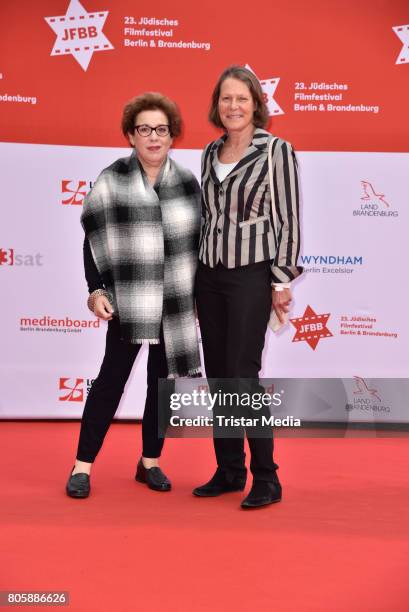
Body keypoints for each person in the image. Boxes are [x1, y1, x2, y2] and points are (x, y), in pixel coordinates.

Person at [66, 92, 201, 498]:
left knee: (162, 385)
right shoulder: (113, 179)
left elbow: (200, 246)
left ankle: (150, 463)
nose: (154, 137)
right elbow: (93, 239)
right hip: (129, 299)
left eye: (161, 129)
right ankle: (81, 466)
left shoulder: (188, 184)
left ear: (172, 135)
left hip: (174, 301)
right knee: (111, 380)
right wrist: (96, 290)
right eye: (145, 129)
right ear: (131, 134)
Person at [193, 65, 303, 508]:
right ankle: (229, 469)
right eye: (225, 99)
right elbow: (207, 218)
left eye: (241, 98)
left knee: (241, 375)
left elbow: (288, 219)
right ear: (216, 105)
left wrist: (281, 280)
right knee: (218, 376)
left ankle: (266, 477)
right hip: (209, 275)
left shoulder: (276, 151)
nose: (233, 107)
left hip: (251, 275)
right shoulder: (208, 151)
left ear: (256, 104)